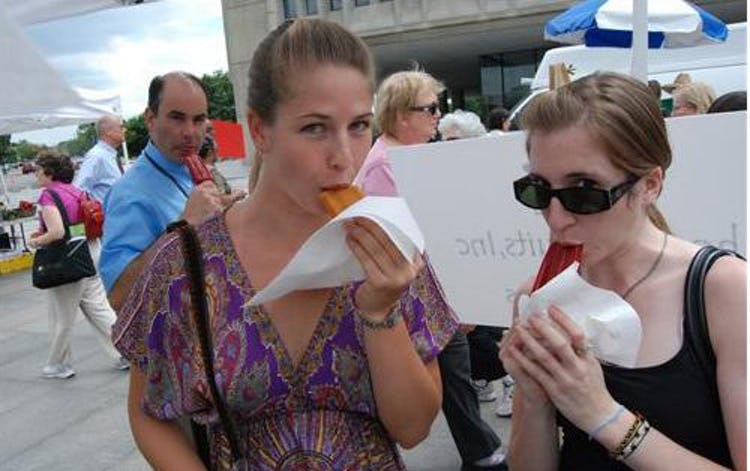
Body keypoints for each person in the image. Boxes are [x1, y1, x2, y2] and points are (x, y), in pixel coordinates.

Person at [112, 18, 457, 470]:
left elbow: (413, 429)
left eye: (358, 126)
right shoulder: (186, 262)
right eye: (315, 128)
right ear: (260, 130)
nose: (344, 156)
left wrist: (380, 313)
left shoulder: (394, 243)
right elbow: (149, 413)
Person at [500, 72, 746, 470]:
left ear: (649, 185)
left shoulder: (724, 290)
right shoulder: (541, 295)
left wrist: (604, 417)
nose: (556, 219)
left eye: (584, 190)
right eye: (539, 190)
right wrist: (532, 398)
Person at [355, 70, 507, 471]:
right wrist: (457, 299)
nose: (439, 116)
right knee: (446, 370)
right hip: (409, 297)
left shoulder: (403, 159)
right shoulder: (385, 167)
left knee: (453, 372)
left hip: (421, 295)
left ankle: (482, 453)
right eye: (431, 108)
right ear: (402, 115)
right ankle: (483, 454)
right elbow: (413, 243)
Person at [99, 71, 225, 306]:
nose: (190, 132)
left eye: (198, 120)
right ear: (150, 119)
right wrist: (184, 227)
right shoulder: (128, 194)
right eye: (177, 118)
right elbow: (117, 297)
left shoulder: (186, 168)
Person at [28, 151, 126, 379]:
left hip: (67, 258)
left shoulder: (48, 196)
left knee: (62, 315)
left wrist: (35, 241)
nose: (36, 174)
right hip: (89, 250)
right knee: (99, 308)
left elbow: (57, 232)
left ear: (49, 173)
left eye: (38, 170)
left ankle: (58, 364)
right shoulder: (77, 191)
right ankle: (125, 351)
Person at [73, 115, 126, 202]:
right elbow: (80, 190)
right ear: (108, 132)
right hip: (108, 214)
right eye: (121, 127)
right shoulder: (96, 156)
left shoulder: (109, 155)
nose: (125, 130)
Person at [198, 135, 245, 202]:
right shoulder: (211, 171)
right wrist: (237, 195)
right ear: (210, 152)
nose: (218, 151)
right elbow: (221, 199)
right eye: (216, 149)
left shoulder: (198, 169)